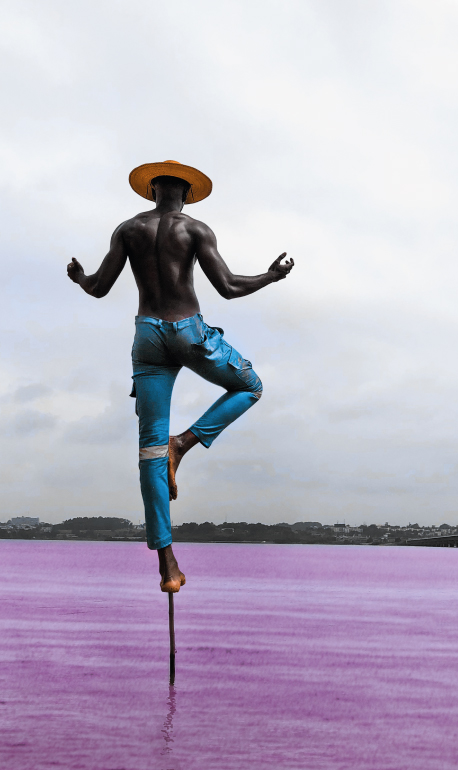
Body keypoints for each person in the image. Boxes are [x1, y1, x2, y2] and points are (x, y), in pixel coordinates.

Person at [67, 159, 294, 592]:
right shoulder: (194, 229)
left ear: (151, 191)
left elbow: (98, 287)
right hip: (188, 331)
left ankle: (168, 565)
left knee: (148, 452)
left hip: (147, 336)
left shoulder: (128, 229)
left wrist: (79, 278)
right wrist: (271, 275)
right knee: (250, 386)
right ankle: (184, 444)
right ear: (186, 194)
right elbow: (228, 286)